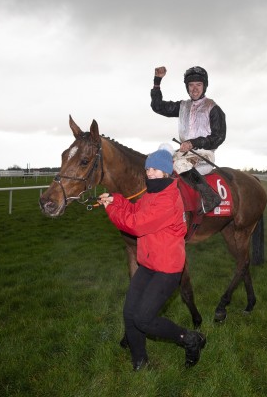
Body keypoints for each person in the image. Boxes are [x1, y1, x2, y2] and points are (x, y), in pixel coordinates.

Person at [97, 145, 206, 370]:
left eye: (156, 169)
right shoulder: (151, 194)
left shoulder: (168, 198)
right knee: (130, 314)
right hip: (148, 264)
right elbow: (135, 211)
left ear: (167, 172)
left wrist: (110, 210)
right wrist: (115, 200)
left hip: (167, 269)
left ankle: (190, 339)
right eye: (148, 169)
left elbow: (136, 225)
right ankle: (140, 361)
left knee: (144, 319)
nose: (150, 173)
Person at [150, 65, 224, 213]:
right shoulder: (183, 106)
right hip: (183, 152)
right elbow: (157, 106)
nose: (194, 89)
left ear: (204, 86)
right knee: (157, 162)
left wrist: (193, 143)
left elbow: (219, 137)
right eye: (191, 85)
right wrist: (157, 81)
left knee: (179, 165)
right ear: (187, 87)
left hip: (204, 154)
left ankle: (210, 197)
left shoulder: (213, 108)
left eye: (198, 85)